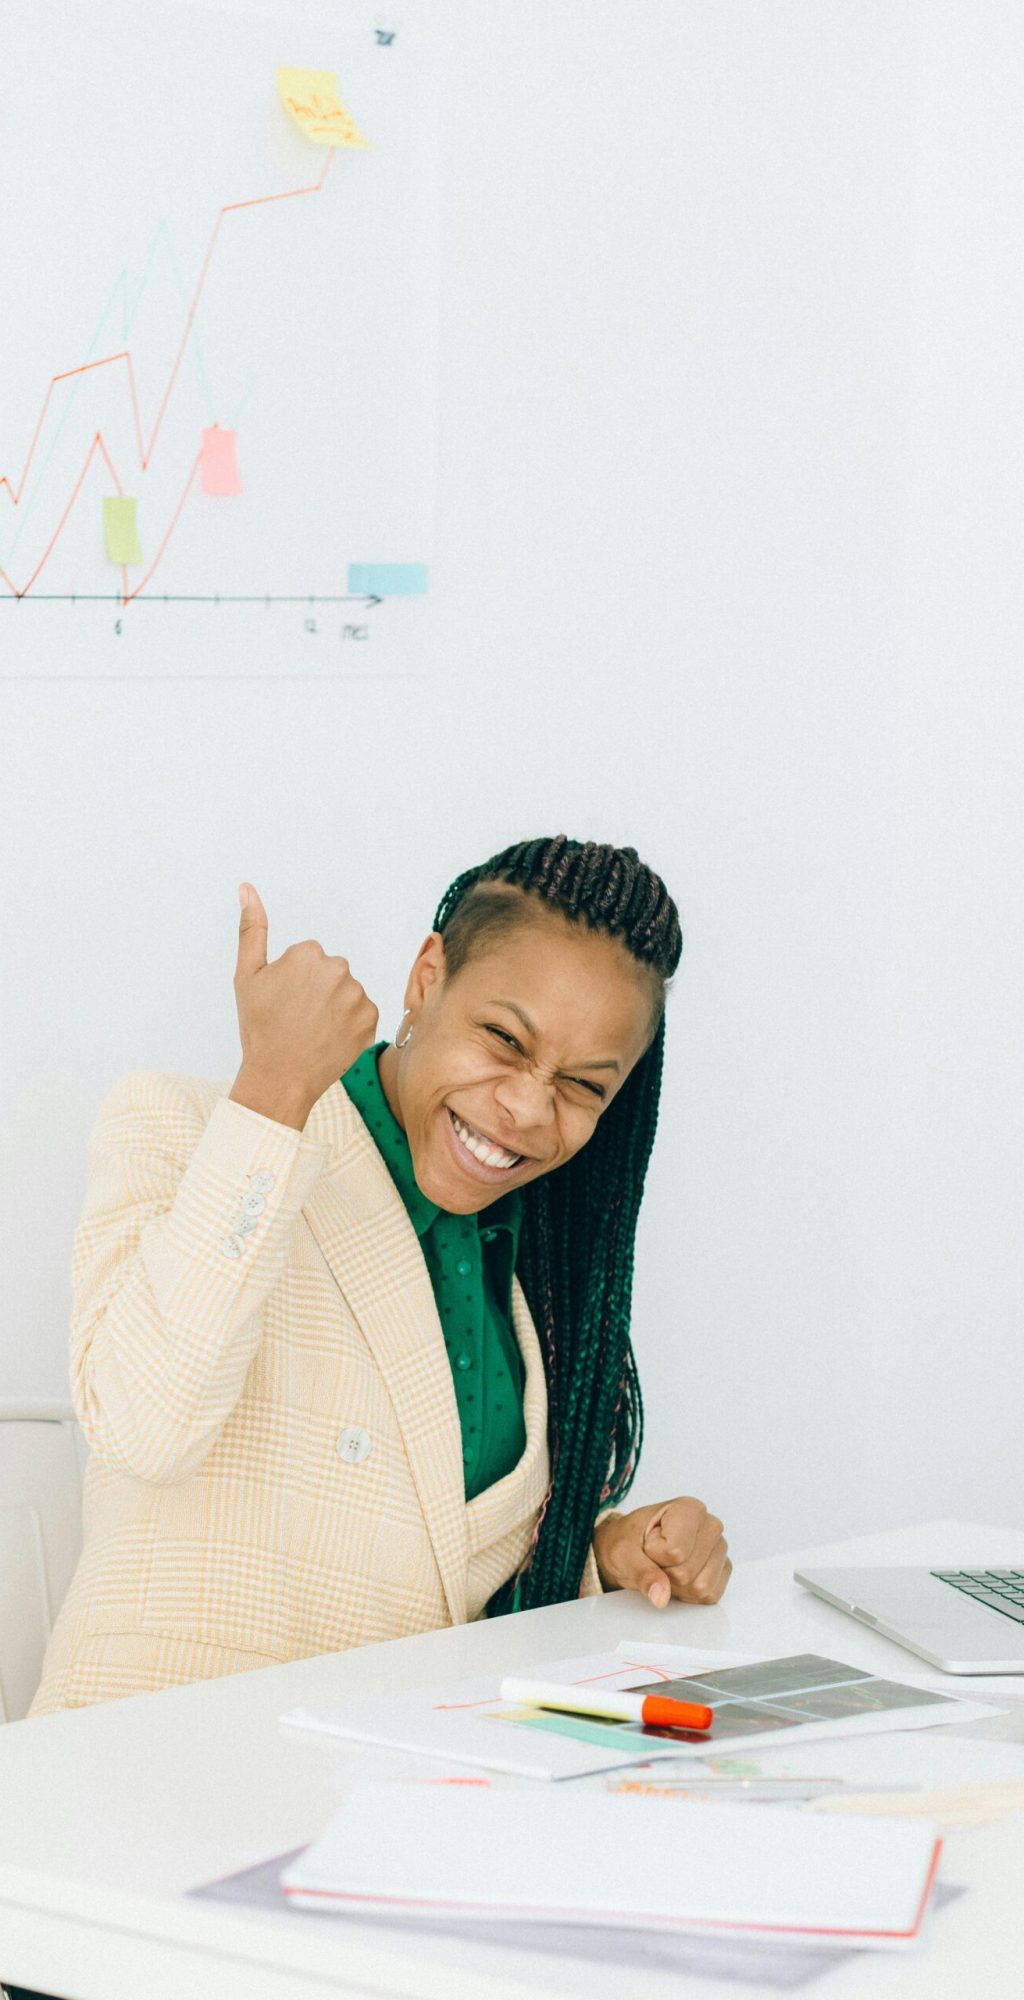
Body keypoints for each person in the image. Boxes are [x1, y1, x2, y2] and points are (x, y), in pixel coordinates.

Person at [29, 834, 730, 1721]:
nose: (525, 1108)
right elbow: (142, 1427)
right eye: (505, 1039)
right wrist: (276, 1090)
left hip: (393, 1797)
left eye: (584, 1087)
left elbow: (437, 1562)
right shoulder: (191, 1126)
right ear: (427, 977)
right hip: (159, 1781)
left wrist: (609, 1551)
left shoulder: (531, 1271)